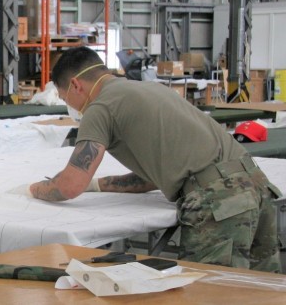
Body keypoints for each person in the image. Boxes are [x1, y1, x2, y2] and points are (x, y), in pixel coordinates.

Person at [29, 46, 282, 273]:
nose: (69, 105)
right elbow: (154, 176)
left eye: (64, 98)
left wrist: (35, 189)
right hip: (256, 186)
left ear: (75, 85)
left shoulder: (100, 107)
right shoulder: (147, 89)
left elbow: (70, 185)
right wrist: (99, 184)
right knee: (262, 290)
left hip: (221, 203)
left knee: (211, 294)